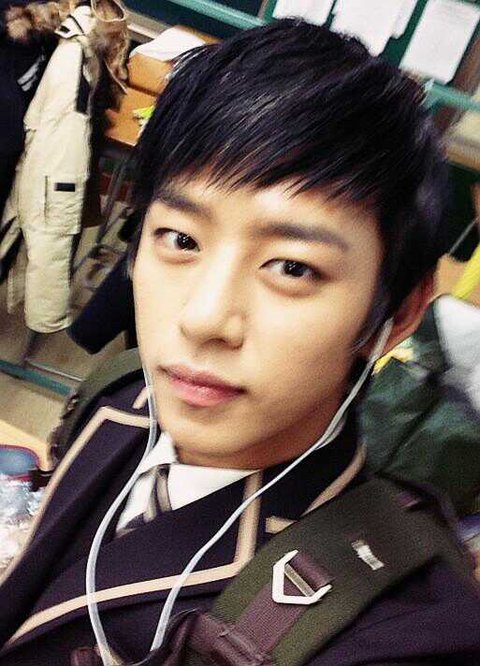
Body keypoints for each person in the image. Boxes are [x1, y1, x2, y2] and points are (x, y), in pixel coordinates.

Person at [0, 18, 479, 666]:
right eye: (181, 239)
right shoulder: (123, 393)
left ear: (397, 313)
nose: (202, 318)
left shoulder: (404, 633)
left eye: (292, 268)